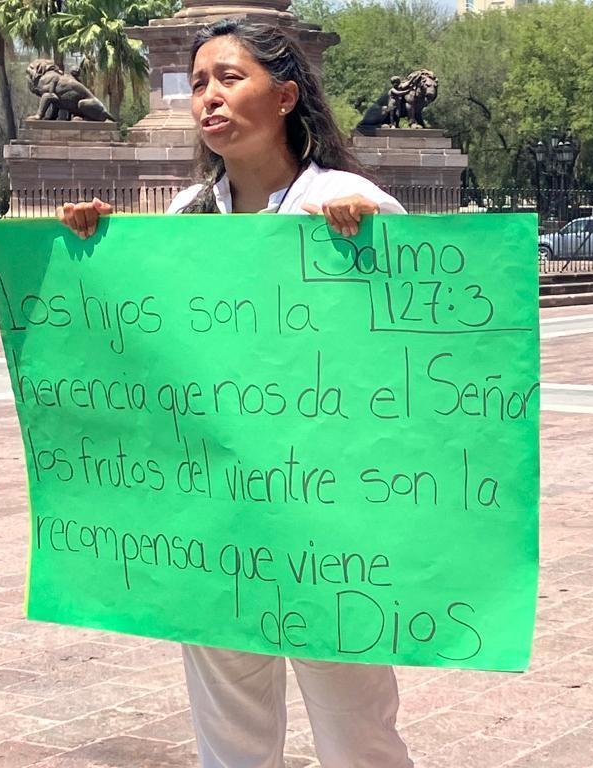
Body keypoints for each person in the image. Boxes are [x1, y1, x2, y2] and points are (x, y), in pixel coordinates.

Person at [58, 20, 413, 768]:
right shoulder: (186, 215)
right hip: (215, 517)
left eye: (229, 78)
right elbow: (140, 348)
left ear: (285, 95)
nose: (208, 98)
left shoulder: (347, 200)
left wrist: (374, 250)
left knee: (358, 734)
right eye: (199, 83)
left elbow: (415, 342)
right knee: (229, 735)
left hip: (325, 522)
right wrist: (88, 253)